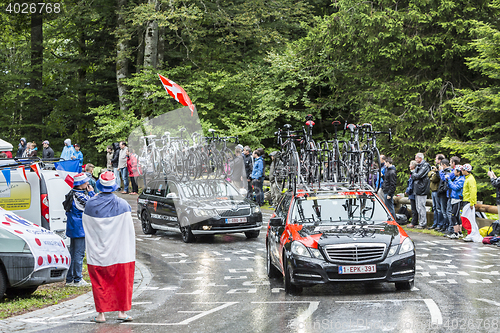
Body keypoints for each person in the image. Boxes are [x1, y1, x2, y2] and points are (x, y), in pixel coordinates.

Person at [82, 171, 135, 323]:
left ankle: (101, 315)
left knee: (100, 282)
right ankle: (122, 312)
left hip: (98, 252)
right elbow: (127, 227)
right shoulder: (123, 205)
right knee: (122, 281)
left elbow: (87, 224)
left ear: (99, 186)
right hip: (119, 253)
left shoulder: (91, 204)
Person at [66, 173, 95, 286]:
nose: (88, 183)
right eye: (86, 182)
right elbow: (94, 203)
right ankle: (77, 279)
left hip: (74, 226)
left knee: (73, 253)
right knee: (79, 253)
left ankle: (70, 279)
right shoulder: (80, 195)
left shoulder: (73, 193)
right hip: (79, 228)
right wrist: (91, 192)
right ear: (81, 184)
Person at [461, 164, 482, 242]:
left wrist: (472, 203)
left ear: (466, 171)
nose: (461, 171)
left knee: (469, 219)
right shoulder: (467, 178)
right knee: (466, 218)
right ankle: (470, 233)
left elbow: (473, 192)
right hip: (466, 200)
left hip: (468, 202)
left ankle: (472, 234)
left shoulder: (470, 179)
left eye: (463, 170)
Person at [413, 152, 431, 229]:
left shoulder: (425, 166)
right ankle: (421, 222)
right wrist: (415, 175)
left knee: (421, 207)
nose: (415, 159)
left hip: (422, 188)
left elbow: (418, 175)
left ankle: (423, 223)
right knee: (418, 207)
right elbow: (414, 175)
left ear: (420, 158)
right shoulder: (418, 166)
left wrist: (415, 175)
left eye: (416, 158)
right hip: (417, 189)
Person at [446, 165, 465, 239]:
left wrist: (449, 180)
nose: (453, 172)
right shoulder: (457, 178)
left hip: (457, 199)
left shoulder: (461, 180)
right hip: (454, 199)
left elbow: (455, 187)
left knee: (454, 216)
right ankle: (459, 232)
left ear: (458, 172)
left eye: (455, 171)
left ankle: (456, 233)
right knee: (456, 216)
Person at [429, 154, 445, 229]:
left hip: (437, 190)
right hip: (433, 190)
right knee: (435, 208)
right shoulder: (435, 167)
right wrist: (433, 173)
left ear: (439, 160)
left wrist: (434, 174)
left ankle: (440, 224)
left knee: (439, 208)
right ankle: (435, 223)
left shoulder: (441, 169)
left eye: (436, 159)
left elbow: (435, 178)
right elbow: (429, 173)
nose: (435, 160)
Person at [437, 159, 452, 232]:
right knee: (444, 210)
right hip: (444, 193)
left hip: (444, 193)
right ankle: (444, 225)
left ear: (444, 165)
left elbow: (444, 181)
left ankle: (446, 226)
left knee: (445, 211)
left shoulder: (447, 172)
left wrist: (440, 171)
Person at [406, 160, 419, 227]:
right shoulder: (413, 173)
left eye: (410, 164)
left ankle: (414, 222)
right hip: (413, 192)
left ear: (413, 166)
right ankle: (415, 221)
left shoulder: (413, 174)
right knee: (414, 208)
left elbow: (411, 184)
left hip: (413, 193)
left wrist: (407, 191)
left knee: (414, 208)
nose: (409, 166)